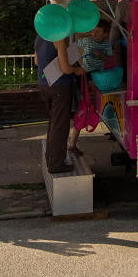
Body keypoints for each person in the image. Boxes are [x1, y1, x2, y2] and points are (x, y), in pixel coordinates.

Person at [35, 35, 84, 174]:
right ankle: (57, 164)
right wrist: (76, 70)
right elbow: (65, 69)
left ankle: (50, 158)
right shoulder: (58, 39)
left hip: (44, 84)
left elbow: (37, 61)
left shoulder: (40, 36)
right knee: (60, 126)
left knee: (53, 123)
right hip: (59, 86)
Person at [66, 19, 113, 156]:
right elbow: (70, 52)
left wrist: (100, 55)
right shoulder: (86, 41)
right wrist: (76, 63)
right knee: (83, 109)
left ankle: (72, 142)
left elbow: (110, 60)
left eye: (98, 32)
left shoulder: (107, 45)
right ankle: (72, 142)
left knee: (90, 109)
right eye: (93, 31)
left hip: (99, 79)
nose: (94, 34)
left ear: (105, 34)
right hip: (85, 78)